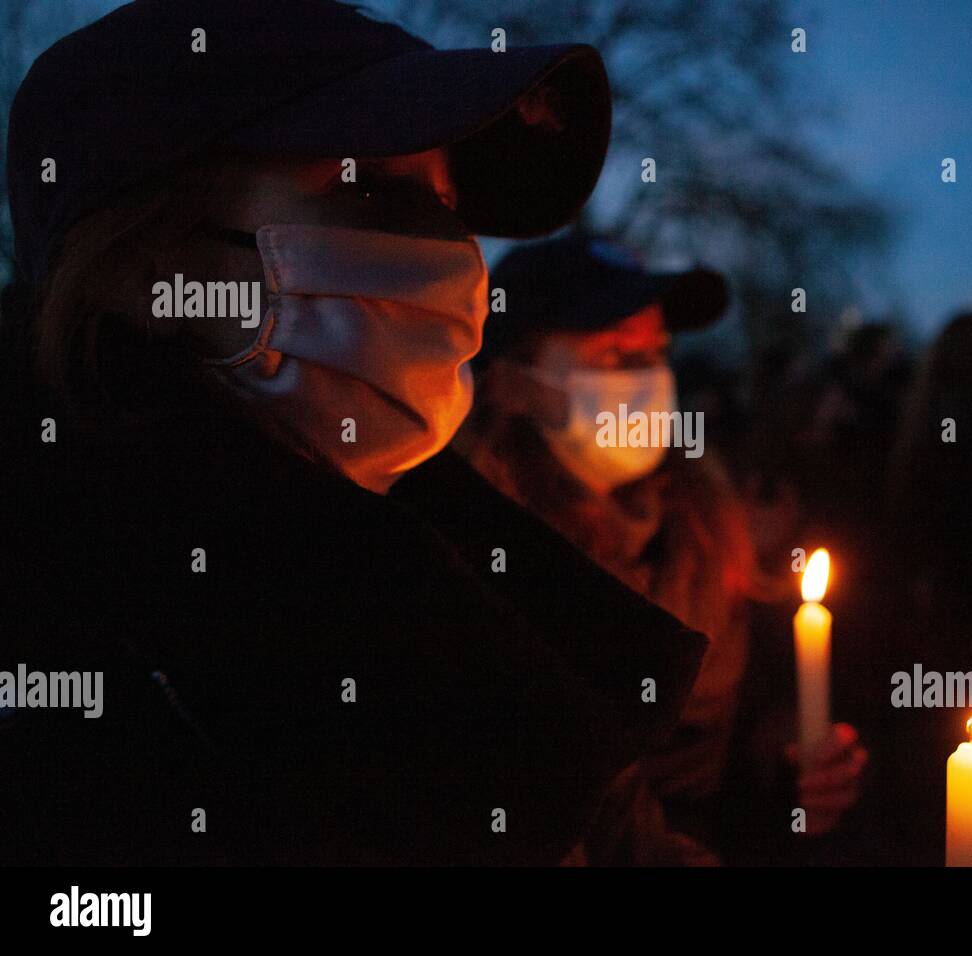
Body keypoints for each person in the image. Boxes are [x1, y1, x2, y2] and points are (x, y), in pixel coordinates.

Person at [0, 0, 706, 865]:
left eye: (445, 201)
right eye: (361, 181)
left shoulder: (459, 570)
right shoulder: (62, 642)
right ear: (147, 257)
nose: (447, 251)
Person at [455, 237, 868, 863]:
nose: (647, 378)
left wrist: (789, 762)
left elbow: (744, 721)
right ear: (515, 379)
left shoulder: (704, 527)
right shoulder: (477, 551)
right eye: (616, 353)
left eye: (656, 352)